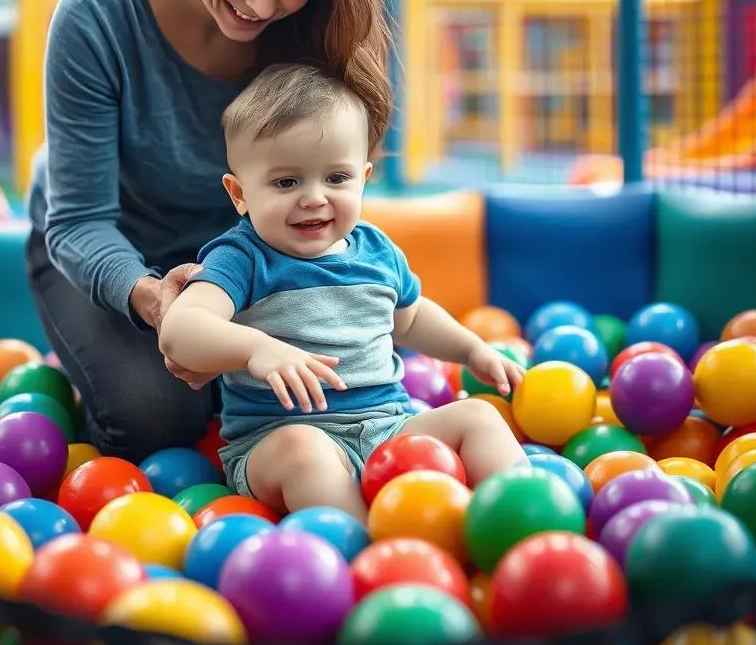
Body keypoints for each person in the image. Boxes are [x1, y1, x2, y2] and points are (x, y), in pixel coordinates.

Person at [24, 0, 394, 465]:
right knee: (157, 413)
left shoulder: (314, 27)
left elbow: (328, 189)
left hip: (250, 255)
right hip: (109, 250)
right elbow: (78, 221)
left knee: (330, 390)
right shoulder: (98, 16)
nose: (261, 3)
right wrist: (154, 299)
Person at [159, 63, 528, 523]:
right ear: (240, 194)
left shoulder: (376, 251)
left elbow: (409, 319)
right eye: (286, 182)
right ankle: (362, 547)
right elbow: (180, 329)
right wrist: (257, 349)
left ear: (364, 176)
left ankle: (513, 521)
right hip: (279, 438)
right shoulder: (242, 257)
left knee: (479, 417)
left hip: (388, 428)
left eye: (336, 178)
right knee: (305, 450)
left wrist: (471, 349)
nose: (314, 197)